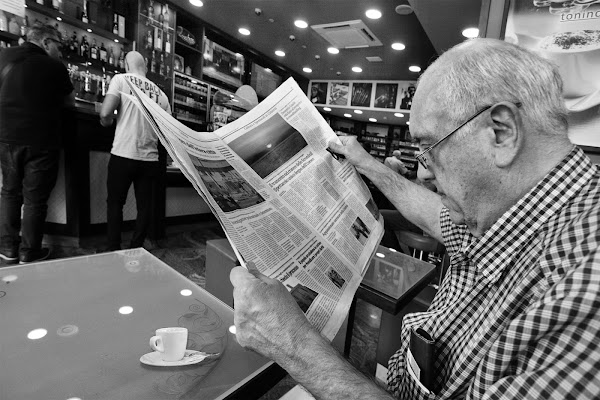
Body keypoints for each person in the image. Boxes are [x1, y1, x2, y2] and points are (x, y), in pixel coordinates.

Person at [229, 38, 600, 399]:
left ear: (501, 132)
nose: (422, 172)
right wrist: (369, 165)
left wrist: (293, 344)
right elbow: (433, 213)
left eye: (429, 147)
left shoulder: (584, 287)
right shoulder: (506, 208)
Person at [0, 23, 75, 264]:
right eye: (59, 46)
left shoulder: (2, 56)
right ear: (46, 42)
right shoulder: (55, 67)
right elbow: (69, 105)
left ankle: (8, 248)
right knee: (34, 200)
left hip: (6, 138)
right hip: (41, 141)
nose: (61, 52)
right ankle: (28, 252)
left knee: (9, 193)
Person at [99, 51, 171, 251]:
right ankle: (136, 248)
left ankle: (113, 248)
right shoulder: (162, 95)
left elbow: (105, 112)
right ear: (145, 65)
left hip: (123, 153)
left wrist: (106, 122)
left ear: (126, 64)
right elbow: (168, 131)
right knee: (144, 208)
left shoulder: (121, 80)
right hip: (150, 160)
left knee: (115, 203)